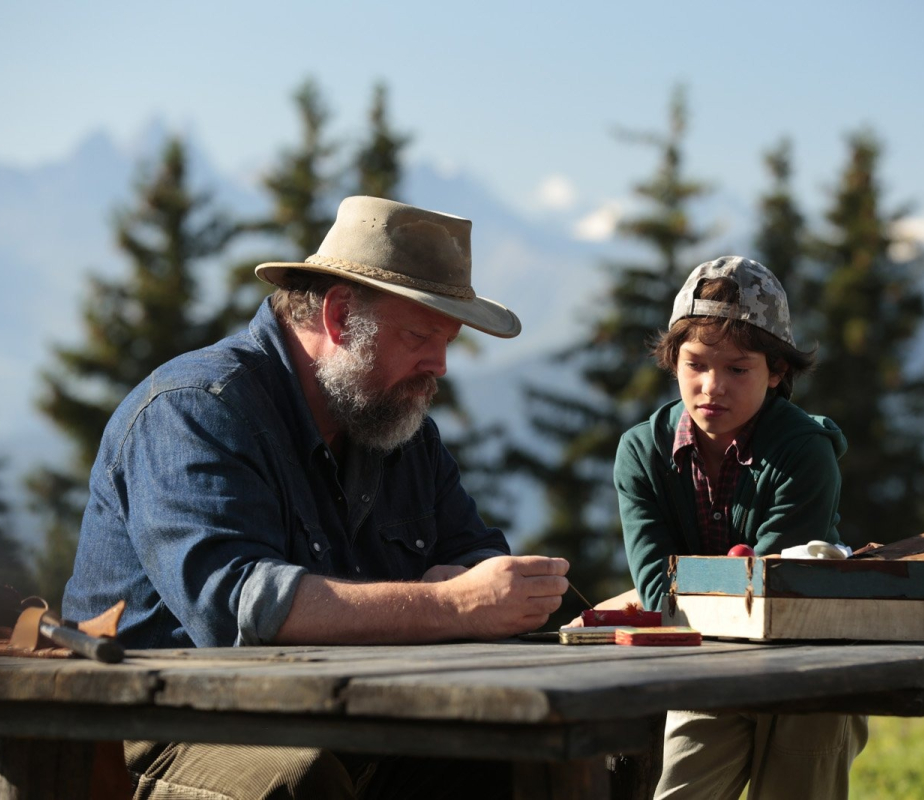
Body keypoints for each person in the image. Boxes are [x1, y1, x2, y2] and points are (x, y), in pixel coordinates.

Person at [62, 195, 569, 799]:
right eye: (418, 336)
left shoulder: (400, 429)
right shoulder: (195, 408)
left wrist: (472, 583)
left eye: (448, 342)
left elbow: (477, 558)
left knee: (535, 763)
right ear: (337, 316)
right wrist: (450, 605)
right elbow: (239, 607)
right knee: (304, 783)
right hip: (156, 729)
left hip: (334, 719)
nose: (438, 365)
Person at [612, 256, 868, 800]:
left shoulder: (804, 452)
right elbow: (659, 592)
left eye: (737, 369)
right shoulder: (642, 453)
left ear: (776, 372)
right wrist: (727, 583)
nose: (712, 387)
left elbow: (774, 591)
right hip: (706, 666)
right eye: (696, 365)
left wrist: (716, 584)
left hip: (807, 665)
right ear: (673, 361)